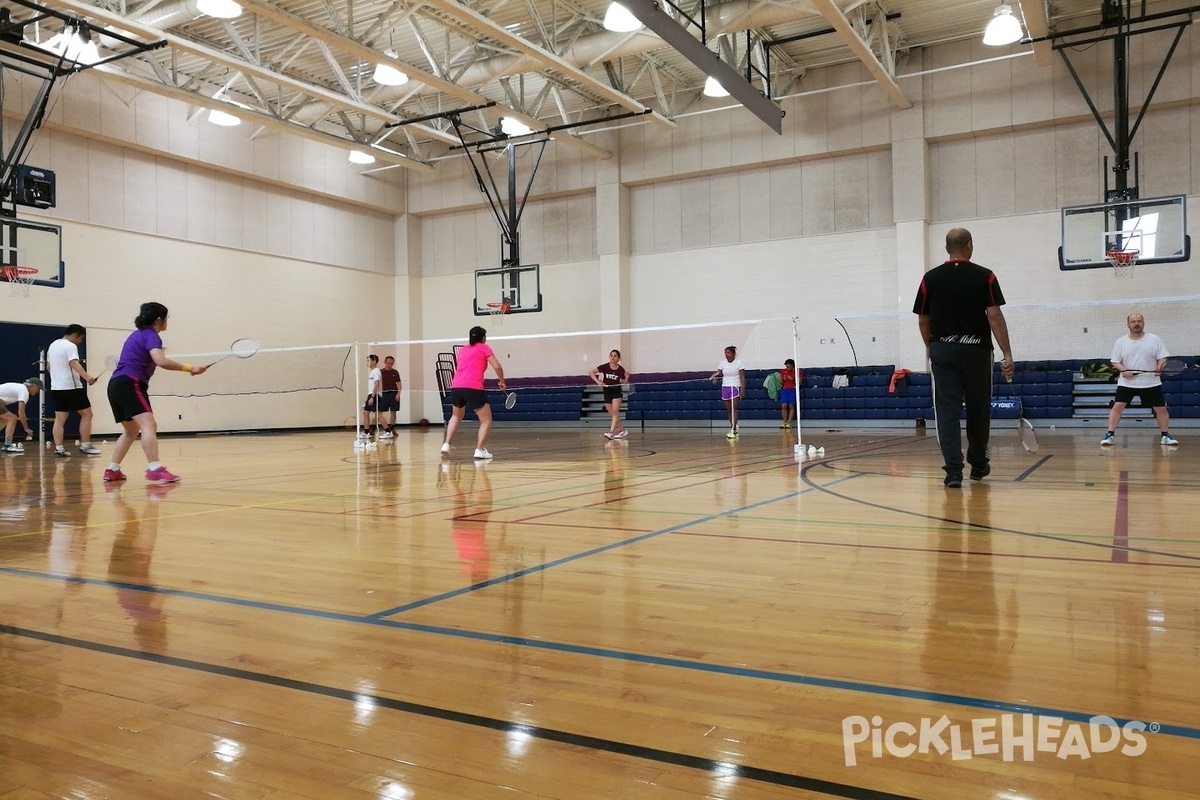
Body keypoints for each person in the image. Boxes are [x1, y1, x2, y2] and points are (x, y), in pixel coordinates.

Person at [913, 228, 1015, 488]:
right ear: (969, 245)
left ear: (948, 248)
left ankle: (953, 471)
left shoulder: (930, 278)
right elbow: (994, 316)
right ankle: (978, 465)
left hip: (943, 351)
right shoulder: (986, 276)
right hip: (977, 352)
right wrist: (1007, 353)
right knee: (979, 408)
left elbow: (923, 320)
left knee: (946, 411)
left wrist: (931, 347)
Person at [104, 302, 207, 483]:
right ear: (159, 319)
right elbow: (161, 361)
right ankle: (154, 468)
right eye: (166, 318)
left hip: (115, 384)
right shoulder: (152, 335)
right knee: (148, 426)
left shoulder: (136, 335)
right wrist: (191, 368)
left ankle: (112, 470)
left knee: (131, 430)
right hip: (131, 383)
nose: (167, 322)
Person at [1102, 313, 1179, 447]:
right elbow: (1115, 361)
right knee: (1117, 407)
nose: (1136, 323)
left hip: (1151, 382)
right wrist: (1124, 370)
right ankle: (1109, 435)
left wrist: (1160, 366)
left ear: (1143, 323)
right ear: (1128, 324)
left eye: (1139, 321)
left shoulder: (1154, 339)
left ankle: (1165, 435)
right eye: (1133, 321)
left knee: (1161, 409)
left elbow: (1162, 357)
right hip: (1127, 383)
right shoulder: (1120, 342)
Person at [441, 326, 506, 460]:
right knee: (486, 420)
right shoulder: (484, 347)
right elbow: (497, 366)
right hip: (473, 387)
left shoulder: (463, 350)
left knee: (456, 416)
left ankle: (446, 444)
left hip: (456, 387)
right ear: (483, 338)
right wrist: (502, 381)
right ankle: (480, 450)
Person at [47, 323, 102, 458]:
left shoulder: (53, 345)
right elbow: (74, 363)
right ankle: (85, 445)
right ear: (75, 334)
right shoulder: (70, 346)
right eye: (80, 338)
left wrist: (58, 378)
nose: (80, 341)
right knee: (87, 414)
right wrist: (88, 377)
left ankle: (59, 448)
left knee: (59, 419)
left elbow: (49, 366)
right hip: (72, 387)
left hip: (56, 388)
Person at [590, 349, 630, 439]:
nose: (613, 357)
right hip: (607, 391)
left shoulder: (620, 370)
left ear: (618, 358)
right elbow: (591, 372)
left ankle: (611, 432)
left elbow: (624, 382)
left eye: (615, 356)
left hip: (616, 392)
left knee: (615, 413)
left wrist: (626, 378)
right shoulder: (604, 367)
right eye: (611, 355)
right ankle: (623, 430)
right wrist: (598, 382)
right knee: (612, 413)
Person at [710, 345, 745, 438]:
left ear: (733, 354)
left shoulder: (739, 362)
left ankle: (733, 430)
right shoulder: (723, 363)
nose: (726, 355)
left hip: (735, 386)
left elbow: (742, 376)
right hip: (725, 386)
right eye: (725, 353)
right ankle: (733, 426)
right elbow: (719, 373)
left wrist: (743, 389)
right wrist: (714, 377)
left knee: (733, 408)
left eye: (728, 353)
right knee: (729, 409)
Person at [1, 378, 42, 453]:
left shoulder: (19, 387)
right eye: (38, 389)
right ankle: (7, 445)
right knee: (12, 418)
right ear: (34, 386)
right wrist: (26, 428)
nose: (38, 392)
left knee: (5, 419)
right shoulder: (24, 391)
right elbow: (21, 411)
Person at [359, 354, 383, 440]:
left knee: (373, 414)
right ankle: (367, 432)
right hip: (372, 394)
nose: (367, 363)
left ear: (374, 361)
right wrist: (368, 397)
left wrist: (372, 397)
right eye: (367, 361)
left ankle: (367, 433)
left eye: (369, 361)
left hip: (375, 395)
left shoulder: (375, 371)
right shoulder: (372, 372)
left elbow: (376, 384)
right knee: (366, 413)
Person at [379, 355, 402, 438]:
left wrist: (398, 394)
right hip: (384, 394)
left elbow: (399, 384)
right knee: (379, 412)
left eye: (391, 363)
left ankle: (392, 428)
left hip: (393, 394)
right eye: (388, 363)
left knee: (393, 412)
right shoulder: (380, 372)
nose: (389, 365)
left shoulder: (395, 372)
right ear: (385, 362)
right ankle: (373, 428)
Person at [780, 358, 797, 429]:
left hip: (792, 389)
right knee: (784, 405)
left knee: (791, 405)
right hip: (785, 389)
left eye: (789, 367)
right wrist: (783, 379)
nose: (788, 368)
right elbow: (780, 382)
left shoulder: (796, 372)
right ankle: (784, 422)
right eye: (787, 367)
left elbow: (799, 382)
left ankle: (789, 422)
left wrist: (792, 379)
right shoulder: (783, 371)